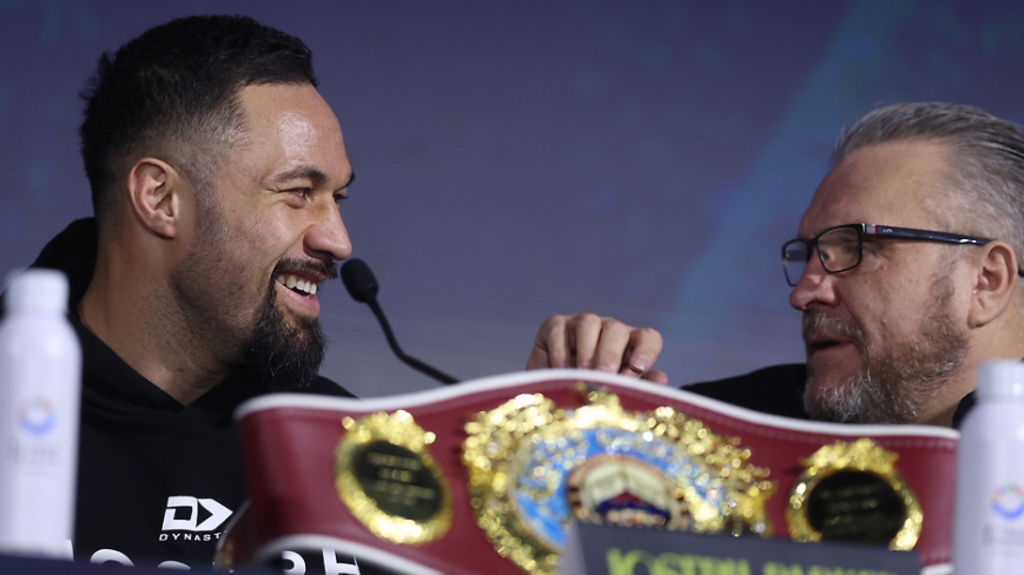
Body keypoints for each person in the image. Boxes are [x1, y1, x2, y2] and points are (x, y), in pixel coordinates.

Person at [20, 15, 663, 570]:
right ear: (161, 199)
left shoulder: (357, 451)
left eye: (340, 197)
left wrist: (535, 469)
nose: (339, 239)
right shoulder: (13, 402)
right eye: (299, 192)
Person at [539, 102, 1024, 429]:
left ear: (986, 280)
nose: (804, 293)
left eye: (851, 247)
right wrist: (555, 422)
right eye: (809, 253)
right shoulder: (726, 430)